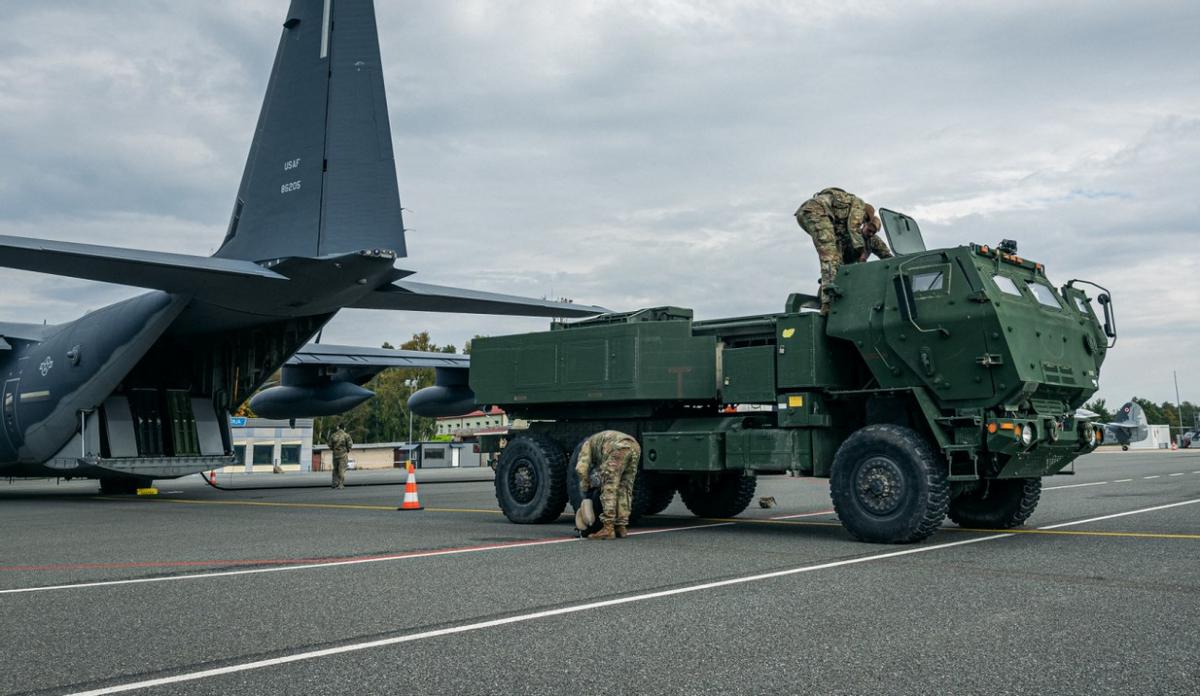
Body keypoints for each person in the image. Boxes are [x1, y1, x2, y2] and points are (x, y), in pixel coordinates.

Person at [795, 187, 893, 314]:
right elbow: (853, 228)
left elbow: (886, 254)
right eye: (868, 229)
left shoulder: (868, 238)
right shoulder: (859, 207)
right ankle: (827, 304)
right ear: (865, 221)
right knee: (829, 252)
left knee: (832, 255)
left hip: (811, 214)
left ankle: (829, 293)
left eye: (873, 232)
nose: (870, 234)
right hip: (816, 212)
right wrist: (861, 252)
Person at [575, 430, 641, 540]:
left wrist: (585, 483)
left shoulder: (587, 445)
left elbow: (581, 468)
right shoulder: (599, 441)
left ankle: (608, 528)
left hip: (618, 449)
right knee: (624, 488)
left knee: (609, 486)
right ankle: (621, 526)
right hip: (634, 446)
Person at [327, 424, 353, 489]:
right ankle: (341, 484)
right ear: (344, 428)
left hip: (335, 455)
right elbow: (350, 444)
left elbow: (330, 445)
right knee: (341, 470)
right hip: (343, 455)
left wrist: (334, 449)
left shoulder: (333, 435)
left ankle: (334, 483)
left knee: (335, 469)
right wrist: (347, 450)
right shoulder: (346, 435)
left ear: (338, 427)